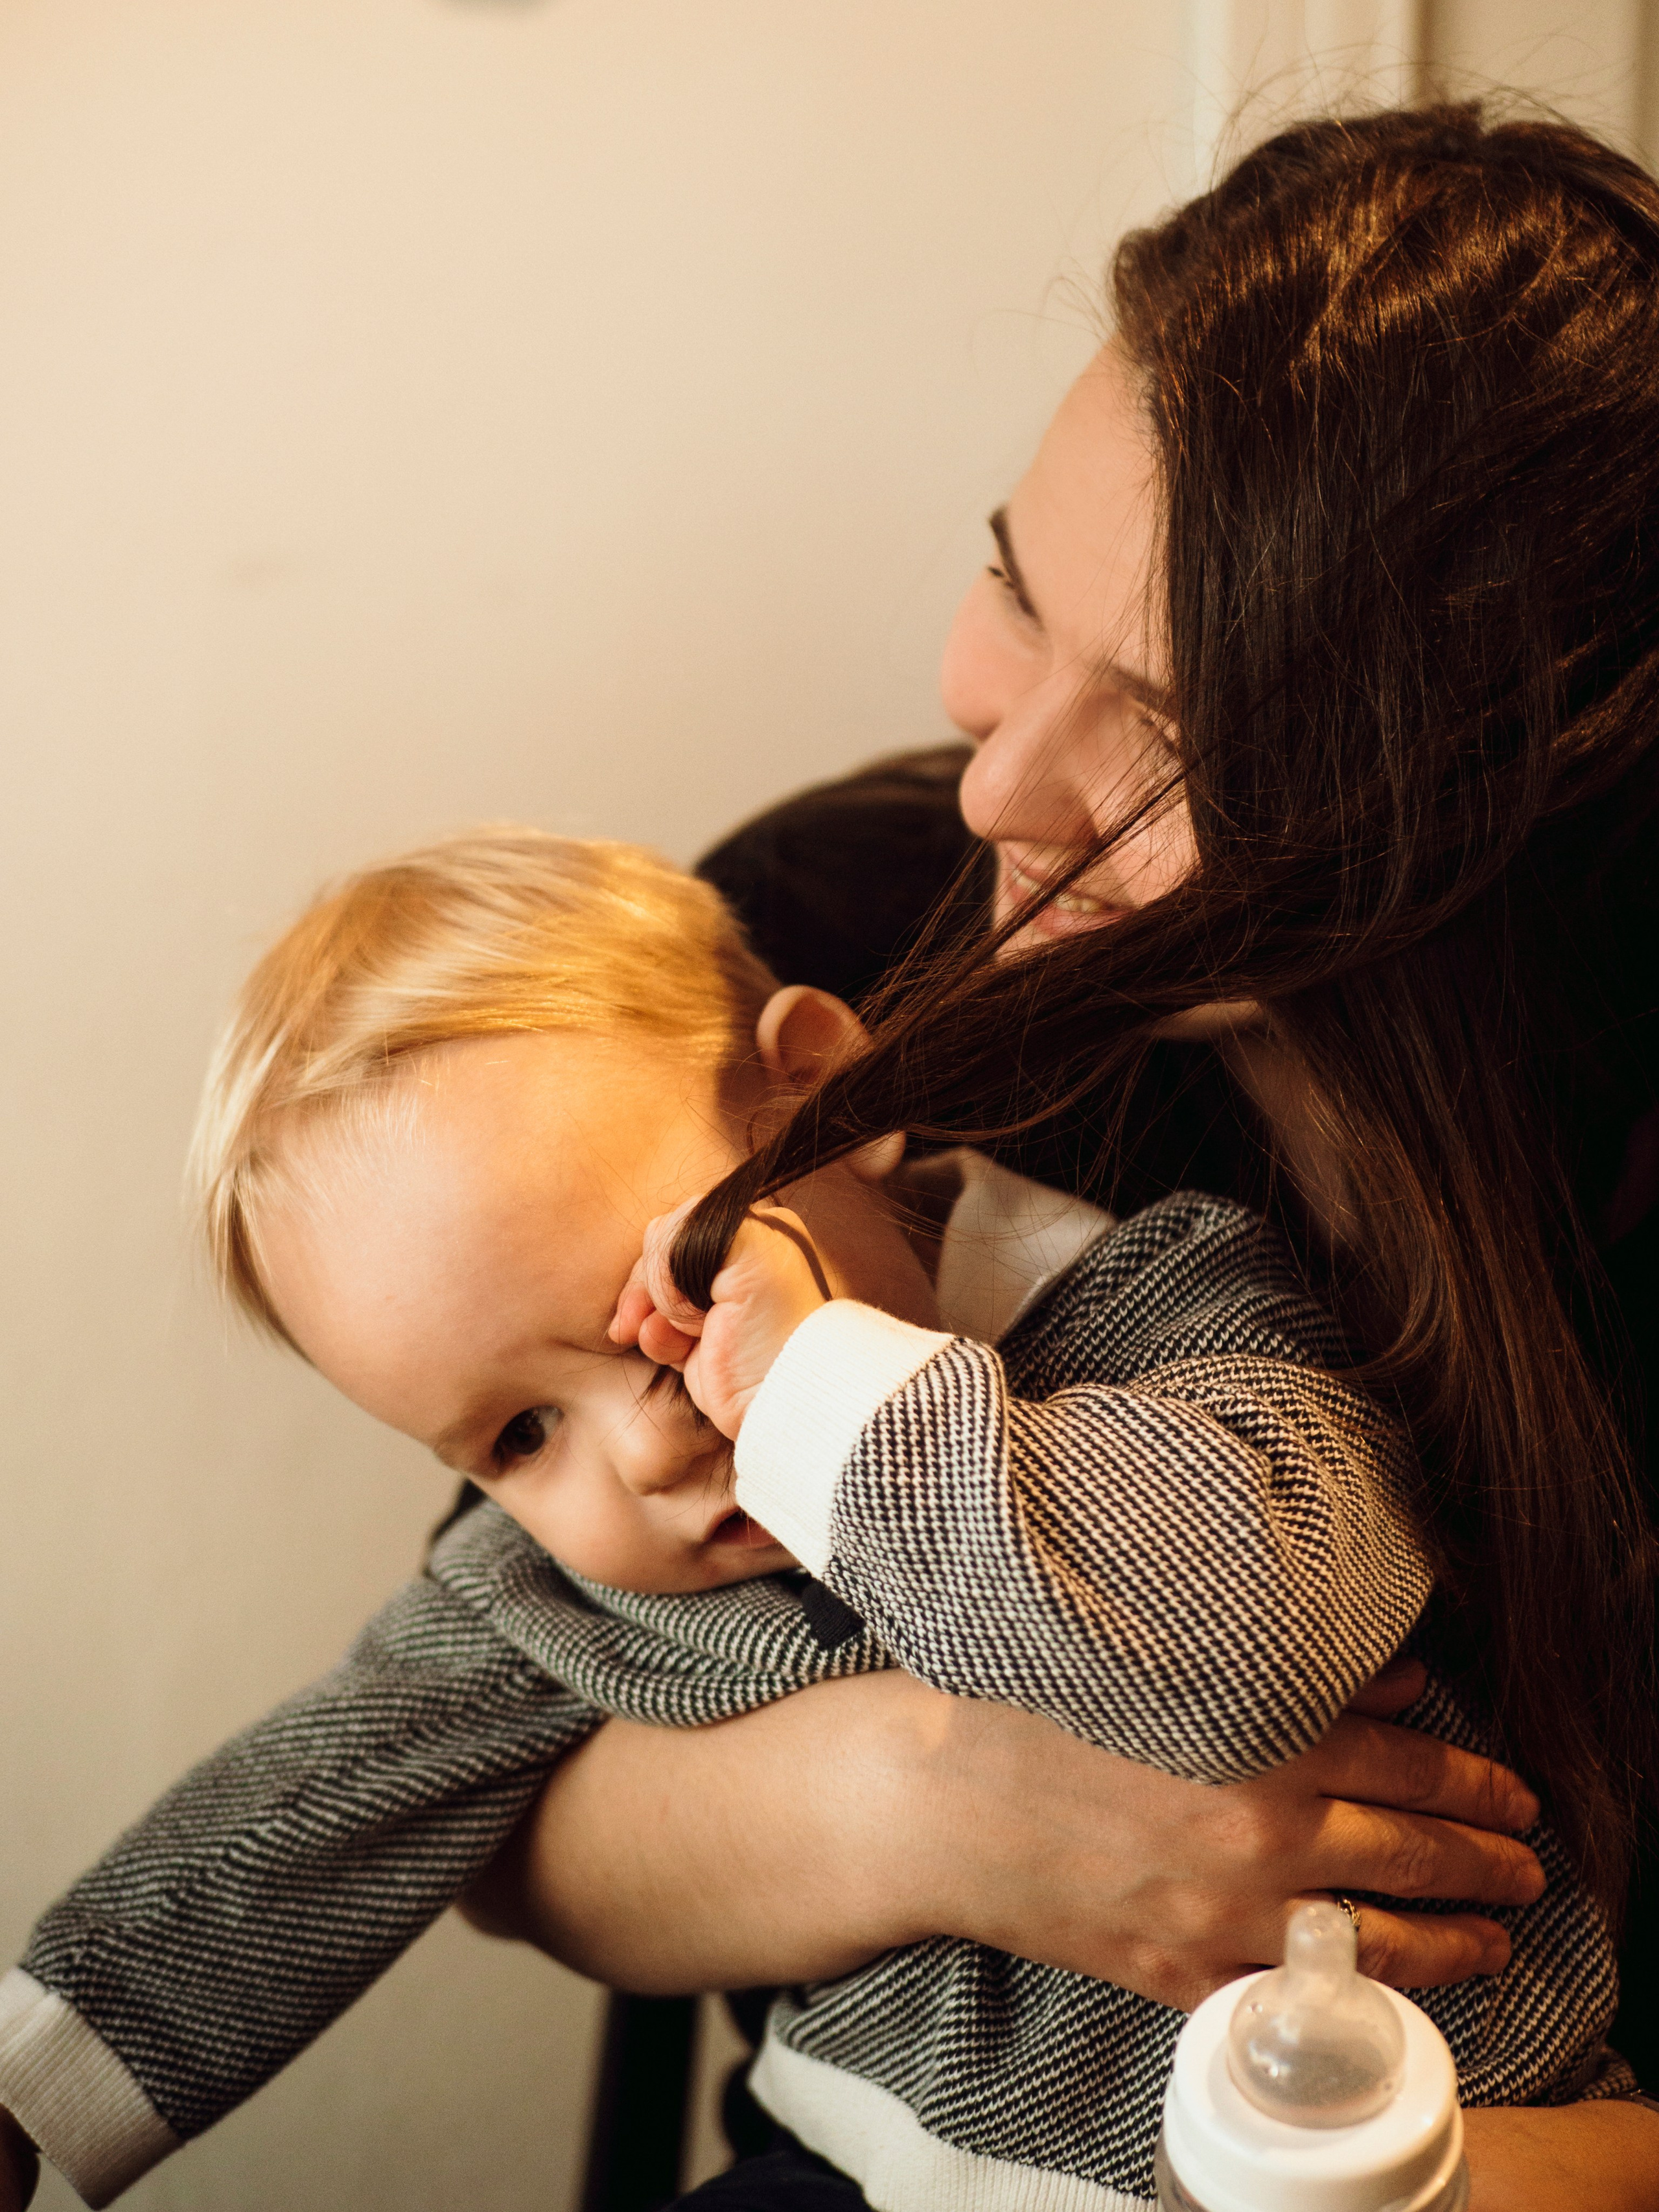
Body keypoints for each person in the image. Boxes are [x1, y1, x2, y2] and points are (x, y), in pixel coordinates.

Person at [463, 100, 1659, 2207]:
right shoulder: (815, 960)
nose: (1007, 783)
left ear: (1483, 811)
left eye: (1186, 741)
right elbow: (488, 1795)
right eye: (1015, 590)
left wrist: (1391, 2169)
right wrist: (946, 1807)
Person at [2, 825, 1590, 2211]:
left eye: (666, 1292)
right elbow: (290, 1830)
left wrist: (826, 1389)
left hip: (1361, 2159)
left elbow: (1236, 1645)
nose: (644, 1452)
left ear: (826, 1091)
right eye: (516, 1433)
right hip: (858, 2168)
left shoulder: (1160, 1308)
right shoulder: (561, 1584)